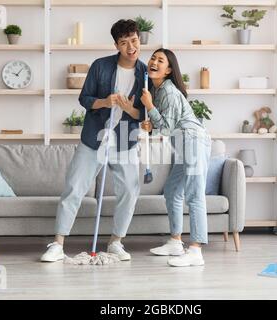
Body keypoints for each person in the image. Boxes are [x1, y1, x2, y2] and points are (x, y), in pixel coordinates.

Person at [41, 19, 147, 262]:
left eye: (134, 40)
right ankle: (57, 244)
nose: (130, 47)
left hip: (124, 141)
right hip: (94, 138)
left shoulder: (145, 73)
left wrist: (129, 109)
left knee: (130, 192)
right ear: (116, 45)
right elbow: (84, 98)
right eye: (124, 43)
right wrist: (105, 102)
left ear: (139, 39)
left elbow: (143, 114)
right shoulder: (100, 66)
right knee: (74, 188)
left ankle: (116, 243)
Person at [141, 49, 212, 267]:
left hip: (193, 142)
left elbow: (166, 127)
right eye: (153, 58)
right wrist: (151, 123)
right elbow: (163, 126)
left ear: (169, 70)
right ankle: (175, 241)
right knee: (172, 190)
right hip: (183, 146)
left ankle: (196, 250)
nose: (154, 61)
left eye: (160, 60)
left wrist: (150, 108)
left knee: (194, 193)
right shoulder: (159, 90)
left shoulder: (168, 92)